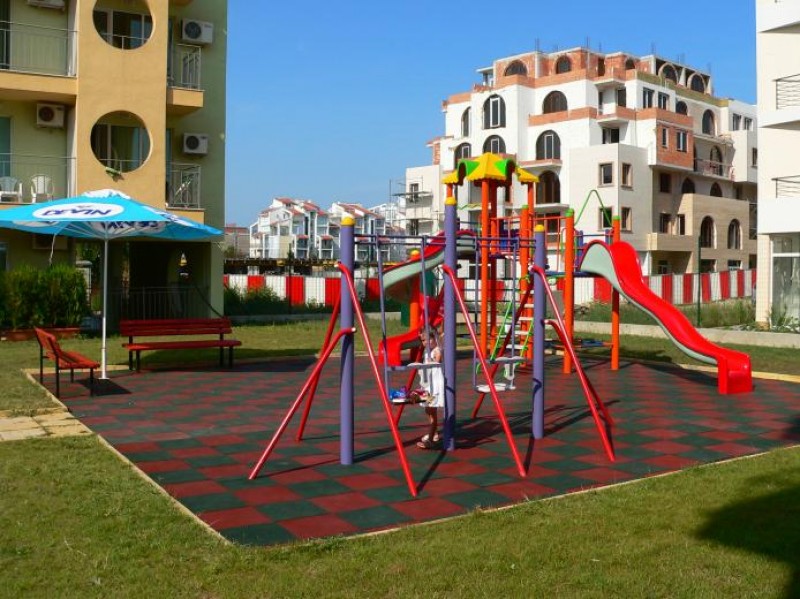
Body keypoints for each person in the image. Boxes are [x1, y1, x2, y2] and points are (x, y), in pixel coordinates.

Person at [409, 327, 444, 449]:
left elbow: (437, 362)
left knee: (432, 411)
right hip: (428, 385)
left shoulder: (437, 350)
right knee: (428, 410)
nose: (425, 343)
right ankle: (434, 433)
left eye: (427, 340)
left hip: (435, 386)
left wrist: (431, 360)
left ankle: (430, 439)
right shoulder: (426, 351)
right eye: (423, 340)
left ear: (434, 338)